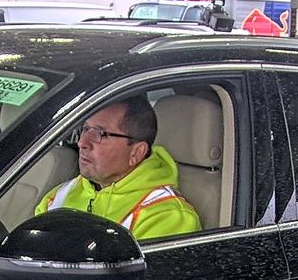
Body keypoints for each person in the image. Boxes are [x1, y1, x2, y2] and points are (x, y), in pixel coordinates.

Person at [35, 97, 201, 241]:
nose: (82, 143)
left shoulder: (167, 215)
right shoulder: (58, 196)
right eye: (85, 129)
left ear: (136, 153)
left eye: (101, 134)